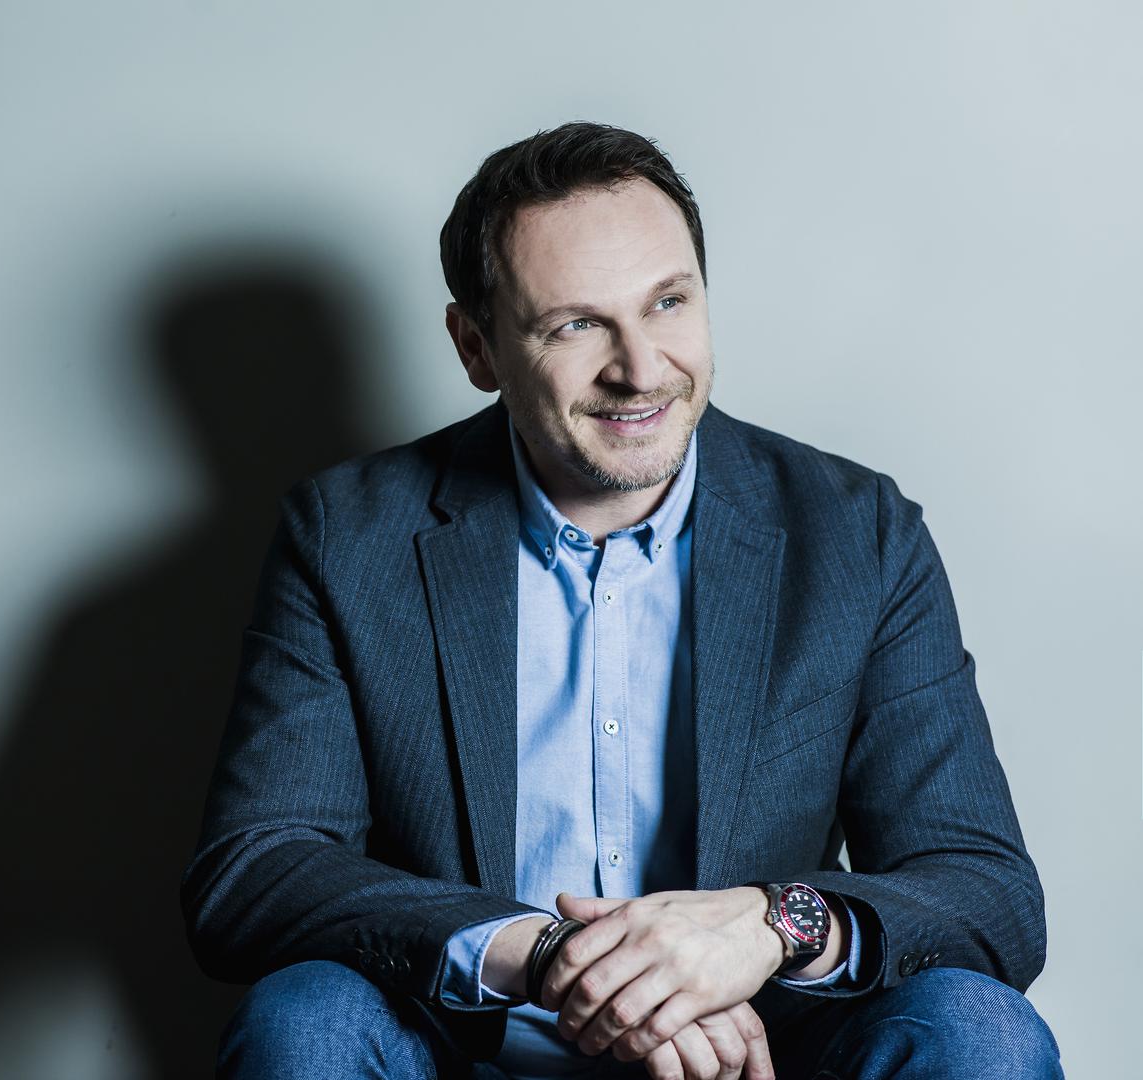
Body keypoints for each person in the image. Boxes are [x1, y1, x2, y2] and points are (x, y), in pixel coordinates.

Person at [179, 122, 1063, 1079]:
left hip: (756, 1057)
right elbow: (255, 870)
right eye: (574, 325)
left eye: (667, 303)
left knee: (979, 1029)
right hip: (465, 1051)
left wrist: (773, 923)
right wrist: (550, 957)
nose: (640, 369)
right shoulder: (346, 536)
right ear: (476, 347)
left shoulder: (855, 532)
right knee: (304, 1021)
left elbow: (987, 892)